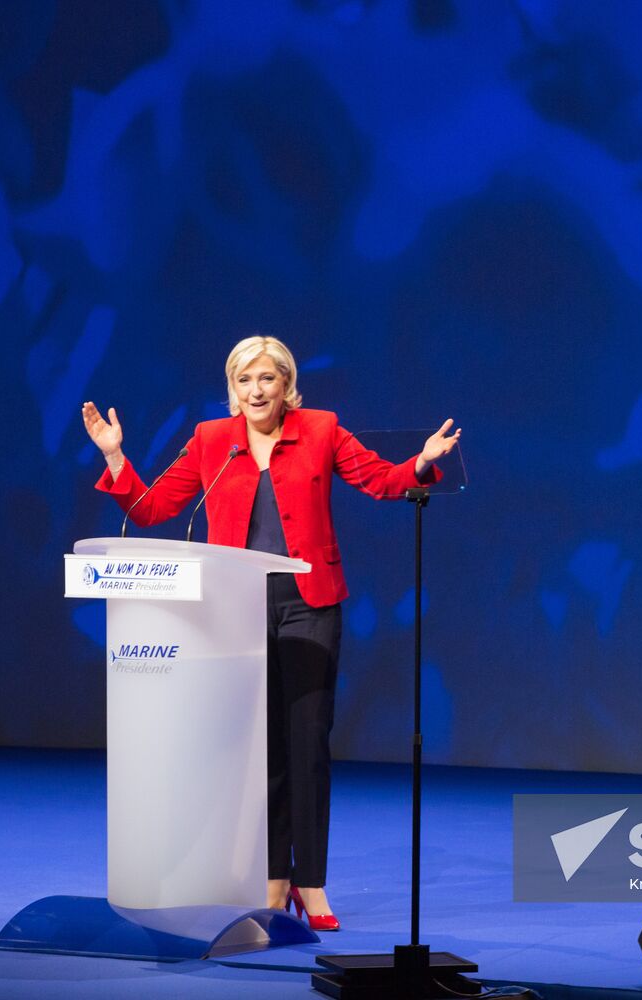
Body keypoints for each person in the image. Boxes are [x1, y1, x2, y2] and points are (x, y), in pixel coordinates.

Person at [81, 335, 460, 930]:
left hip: (310, 606)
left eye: (267, 379)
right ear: (232, 389)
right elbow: (152, 508)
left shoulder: (321, 429)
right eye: (244, 380)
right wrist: (114, 457)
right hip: (236, 610)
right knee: (260, 752)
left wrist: (420, 462)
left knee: (307, 744)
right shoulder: (212, 439)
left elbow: (381, 480)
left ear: (286, 385)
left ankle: (312, 885)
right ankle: (273, 879)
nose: (256, 391)